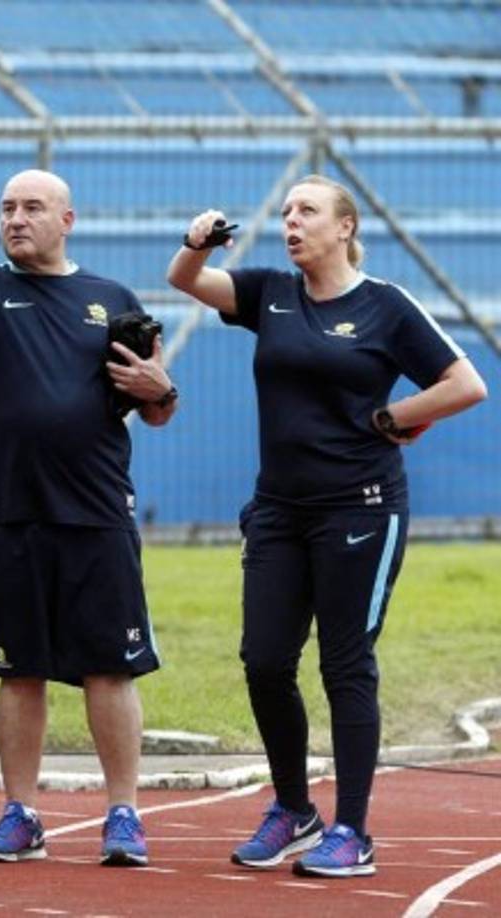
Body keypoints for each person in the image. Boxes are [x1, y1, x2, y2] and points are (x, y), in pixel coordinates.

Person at [167, 174, 487, 878]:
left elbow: (465, 383)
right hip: (278, 510)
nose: (290, 222)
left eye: (306, 211)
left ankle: (353, 831)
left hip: (361, 508)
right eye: (285, 212)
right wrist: (195, 244)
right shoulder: (268, 293)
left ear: (343, 227)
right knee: (264, 660)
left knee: (344, 664)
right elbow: (185, 280)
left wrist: (392, 418)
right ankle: (292, 810)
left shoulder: (384, 306)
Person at [0, 155, 178, 867]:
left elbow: (156, 412)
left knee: (111, 667)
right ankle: (20, 812)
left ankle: (123, 814)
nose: (15, 220)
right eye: (6, 209)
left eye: (30, 208)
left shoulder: (111, 298)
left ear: (66, 220)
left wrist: (159, 388)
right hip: (8, 509)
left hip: (96, 511)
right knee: (16, 669)